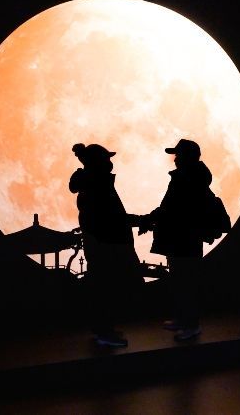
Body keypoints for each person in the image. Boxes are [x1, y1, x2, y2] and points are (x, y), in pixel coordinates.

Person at [139, 139, 213, 341]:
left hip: (184, 237)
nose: (175, 159)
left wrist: (150, 219)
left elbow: (171, 207)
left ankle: (191, 325)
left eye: (178, 155)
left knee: (186, 281)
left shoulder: (188, 179)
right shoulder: (191, 177)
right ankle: (184, 320)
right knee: (182, 280)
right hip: (182, 237)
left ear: (187, 157)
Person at [70, 143, 143, 347]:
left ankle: (103, 328)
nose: (110, 163)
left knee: (103, 288)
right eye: (106, 159)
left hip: (102, 244)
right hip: (107, 245)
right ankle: (105, 332)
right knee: (107, 289)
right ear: (97, 162)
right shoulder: (97, 186)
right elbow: (113, 219)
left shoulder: (93, 184)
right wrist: (141, 220)